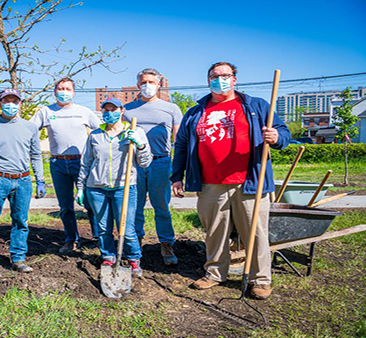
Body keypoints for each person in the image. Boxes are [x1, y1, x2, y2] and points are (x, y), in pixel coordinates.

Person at [171, 62, 290, 300]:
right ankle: (215, 273)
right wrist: (176, 176)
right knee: (214, 231)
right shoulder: (195, 112)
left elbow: (283, 132)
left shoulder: (255, 106)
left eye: (225, 75)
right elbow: (182, 145)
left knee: (255, 232)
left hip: (249, 182)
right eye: (214, 76)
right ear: (208, 81)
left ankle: (260, 279)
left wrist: (276, 137)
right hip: (210, 183)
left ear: (234, 79)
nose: (220, 79)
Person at [0, 88, 45, 279]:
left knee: (20, 221)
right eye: (7, 101)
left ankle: (18, 258)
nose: (11, 104)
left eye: (14, 101)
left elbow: (36, 155)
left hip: (23, 179)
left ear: (20, 104)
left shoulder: (30, 127)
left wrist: (40, 179)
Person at [77, 98, 152, 277]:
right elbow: (86, 162)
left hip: (124, 188)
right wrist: (81, 187)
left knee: (126, 228)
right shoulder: (95, 135)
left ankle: (134, 259)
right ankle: (108, 257)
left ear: (121, 110)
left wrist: (140, 145)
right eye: (106, 110)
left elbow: (145, 162)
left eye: (113, 109)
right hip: (96, 188)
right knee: (103, 228)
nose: (109, 113)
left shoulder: (134, 131)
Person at [30, 77, 101, 253]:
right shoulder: (46, 112)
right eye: (60, 89)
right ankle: (71, 240)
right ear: (55, 92)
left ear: (73, 92)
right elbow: (29, 129)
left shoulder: (83, 111)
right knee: (66, 206)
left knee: (90, 203)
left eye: (67, 89)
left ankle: (98, 238)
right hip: (58, 164)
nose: (64, 92)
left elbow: (101, 130)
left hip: (82, 163)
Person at [123, 68, 183, 266]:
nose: (146, 85)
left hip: (160, 162)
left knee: (162, 207)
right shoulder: (128, 109)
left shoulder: (171, 109)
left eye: (150, 82)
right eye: (142, 82)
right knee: (135, 206)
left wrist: (178, 169)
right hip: (135, 164)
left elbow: (179, 139)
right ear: (138, 85)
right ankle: (136, 242)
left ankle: (166, 243)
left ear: (158, 84)